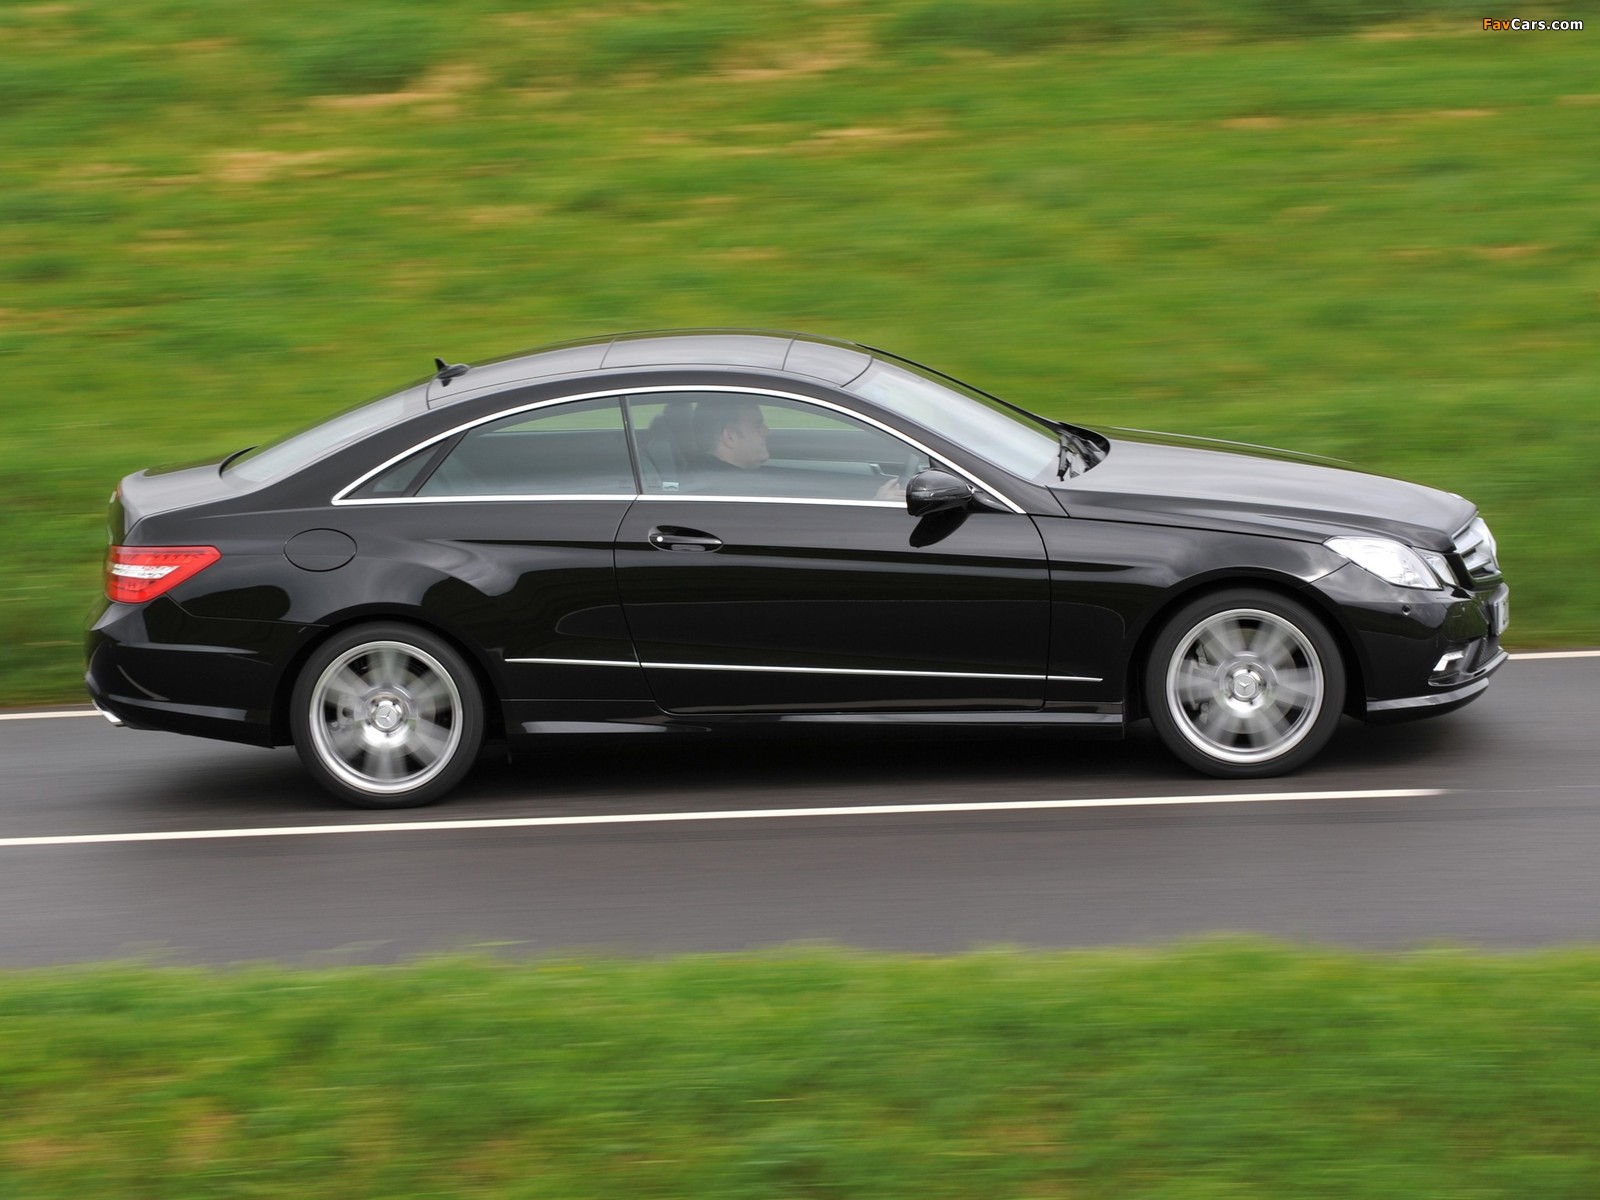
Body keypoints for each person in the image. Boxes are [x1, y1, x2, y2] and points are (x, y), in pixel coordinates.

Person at [688, 398, 907, 499]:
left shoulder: (723, 478)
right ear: (730, 437)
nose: (767, 432)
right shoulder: (731, 491)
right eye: (757, 425)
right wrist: (877, 505)